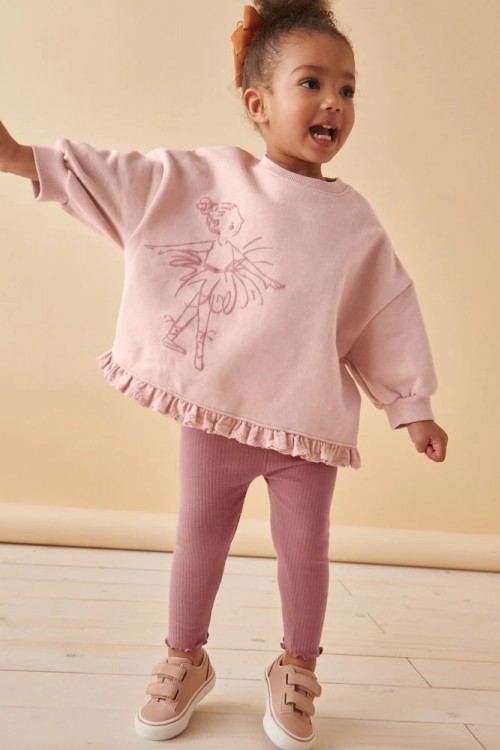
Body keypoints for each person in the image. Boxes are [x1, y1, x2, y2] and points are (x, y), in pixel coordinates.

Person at [0, 1, 448, 748]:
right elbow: (128, 182)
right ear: (258, 103)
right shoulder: (210, 178)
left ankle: (297, 667)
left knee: (305, 553)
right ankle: (186, 656)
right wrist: (22, 159)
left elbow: (385, 312)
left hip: (305, 425)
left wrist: (412, 405)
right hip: (218, 413)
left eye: (348, 88)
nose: (334, 102)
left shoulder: (355, 222)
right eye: (312, 82)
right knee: (199, 540)